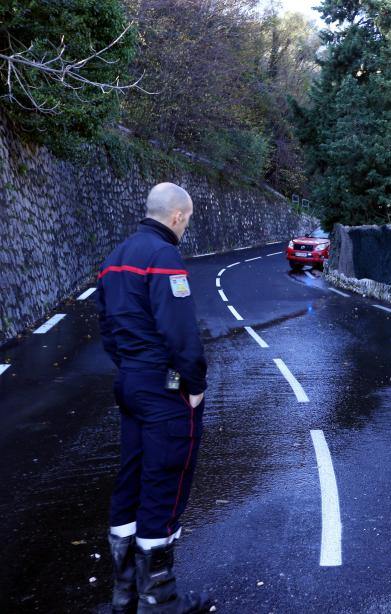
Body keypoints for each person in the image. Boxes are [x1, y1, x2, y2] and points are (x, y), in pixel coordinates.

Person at [96, 183, 212, 613]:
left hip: (130, 381)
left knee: (130, 480)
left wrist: (130, 367)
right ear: (178, 216)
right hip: (164, 391)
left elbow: (107, 327)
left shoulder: (114, 258)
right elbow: (180, 330)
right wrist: (194, 384)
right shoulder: (163, 257)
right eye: (188, 219)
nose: (186, 226)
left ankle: (125, 594)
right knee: (165, 484)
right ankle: (158, 600)